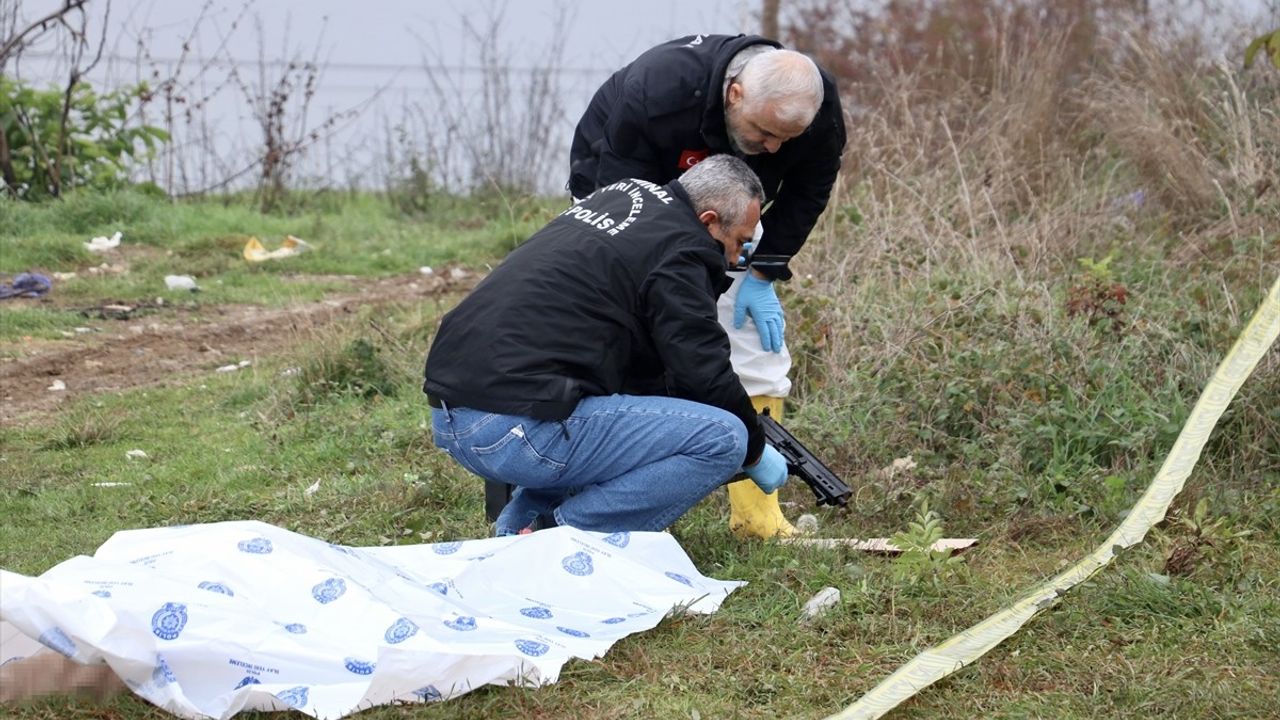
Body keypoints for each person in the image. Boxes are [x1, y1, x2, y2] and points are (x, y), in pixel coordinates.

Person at [568, 34, 847, 538]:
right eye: (764, 132)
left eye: (786, 139)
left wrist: (761, 273)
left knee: (754, 344)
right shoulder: (658, 90)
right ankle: (610, 497)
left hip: (733, 205)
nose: (775, 148)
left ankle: (756, 517)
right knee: (627, 339)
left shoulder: (813, 108)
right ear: (734, 95)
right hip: (624, 195)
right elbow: (618, 194)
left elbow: (810, 191)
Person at [424, 156, 789, 534]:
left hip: (454, 413)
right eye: (738, 244)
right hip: (514, 428)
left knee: (606, 421)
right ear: (708, 221)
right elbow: (703, 370)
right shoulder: (684, 250)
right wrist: (755, 450)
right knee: (725, 439)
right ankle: (557, 537)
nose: (734, 259)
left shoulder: (624, 196)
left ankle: (513, 539)